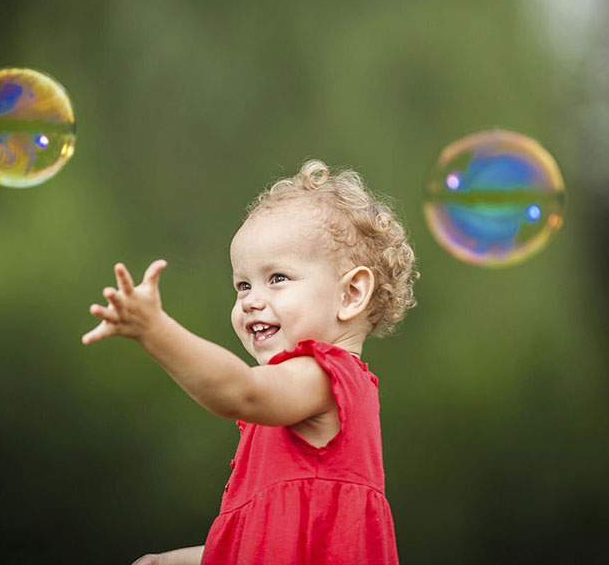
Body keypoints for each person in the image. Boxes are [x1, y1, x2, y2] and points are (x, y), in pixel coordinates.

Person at [82, 160, 418, 565]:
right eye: (242, 284)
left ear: (351, 294)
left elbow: (238, 391)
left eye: (277, 278)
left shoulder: (323, 378)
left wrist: (155, 331)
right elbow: (267, 543)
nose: (250, 300)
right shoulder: (303, 395)